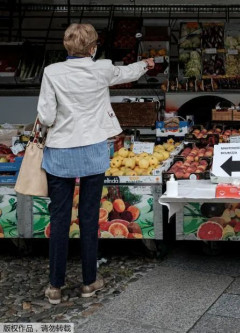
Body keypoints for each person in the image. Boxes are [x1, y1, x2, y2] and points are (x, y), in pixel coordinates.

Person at [38, 23, 154, 305]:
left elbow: (47, 115)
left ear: (67, 47)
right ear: (93, 48)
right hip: (92, 151)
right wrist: (146, 64)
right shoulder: (101, 68)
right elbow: (126, 72)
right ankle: (90, 282)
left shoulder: (51, 72)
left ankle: (55, 286)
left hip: (60, 153)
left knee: (59, 218)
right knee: (90, 218)